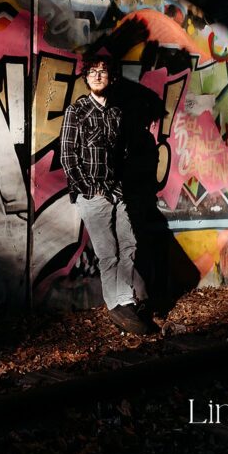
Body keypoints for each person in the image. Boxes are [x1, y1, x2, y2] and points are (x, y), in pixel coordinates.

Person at [60, 55, 154, 334]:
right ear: (86, 77)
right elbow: (67, 156)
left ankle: (126, 299)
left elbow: (121, 155)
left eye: (103, 71)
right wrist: (88, 189)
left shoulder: (116, 113)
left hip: (117, 192)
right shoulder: (76, 111)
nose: (97, 76)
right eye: (92, 72)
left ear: (111, 77)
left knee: (129, 245)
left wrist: (118, 187)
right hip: (92, 195)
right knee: (107, 253)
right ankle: (116, 306)